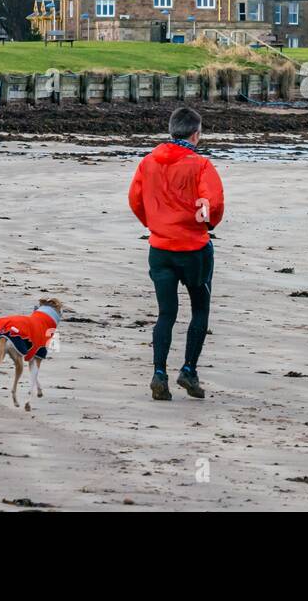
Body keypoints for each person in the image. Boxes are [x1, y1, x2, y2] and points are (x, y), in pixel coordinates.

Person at [128, 106, 225, 401]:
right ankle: (188, 369)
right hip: (193, 247)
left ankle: (159, 372)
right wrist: (204, 223)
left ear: (172, 131)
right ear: (196, 134)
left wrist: (154, 223)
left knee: (166, 314)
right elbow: (214, 204)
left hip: (160, 247)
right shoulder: (200, 164)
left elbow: (135, 199)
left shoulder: (148, 162)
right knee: (199, 309)